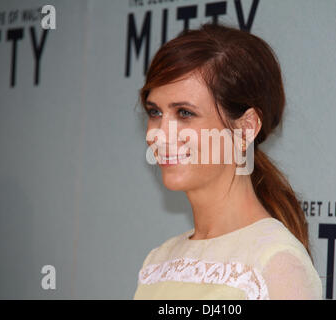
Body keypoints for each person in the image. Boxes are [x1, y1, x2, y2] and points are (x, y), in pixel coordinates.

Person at [133, 22, 323, 300]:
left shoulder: (277, 264)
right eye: (155, 112)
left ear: (246, 127)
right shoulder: (157, 262)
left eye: (184, 113)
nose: (159, 135)